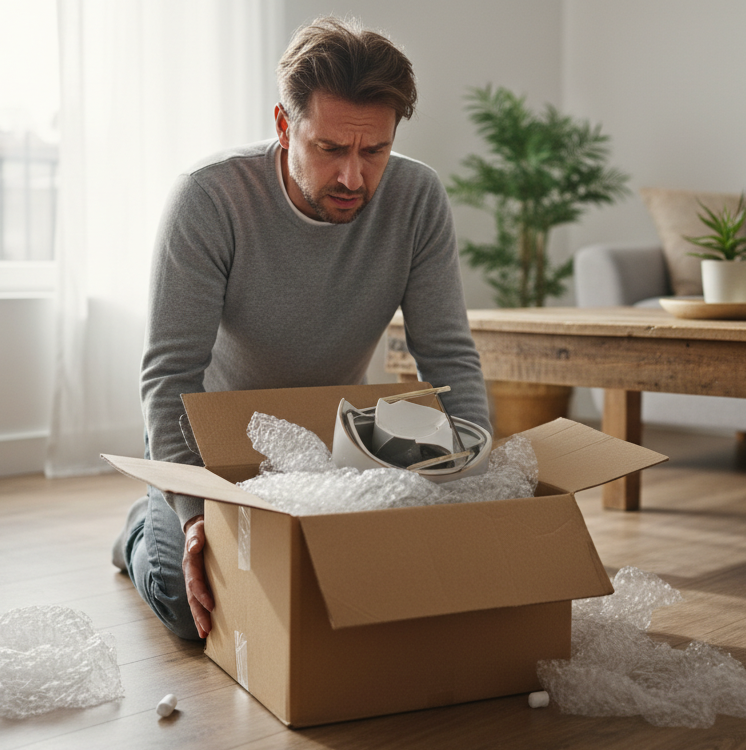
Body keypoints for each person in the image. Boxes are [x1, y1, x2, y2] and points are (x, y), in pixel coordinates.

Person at [111, 17, 490, 642]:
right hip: (210, 444)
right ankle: (141, 528)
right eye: (330, 149)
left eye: (375, 152)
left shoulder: (417, 198)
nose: (353, 178)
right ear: (286, 126)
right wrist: (191, 515)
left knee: (372, 586)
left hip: (335, 435)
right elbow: (170, 374)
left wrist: (477, 488)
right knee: (195, 607)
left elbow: (447, 357)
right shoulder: (209, 198)